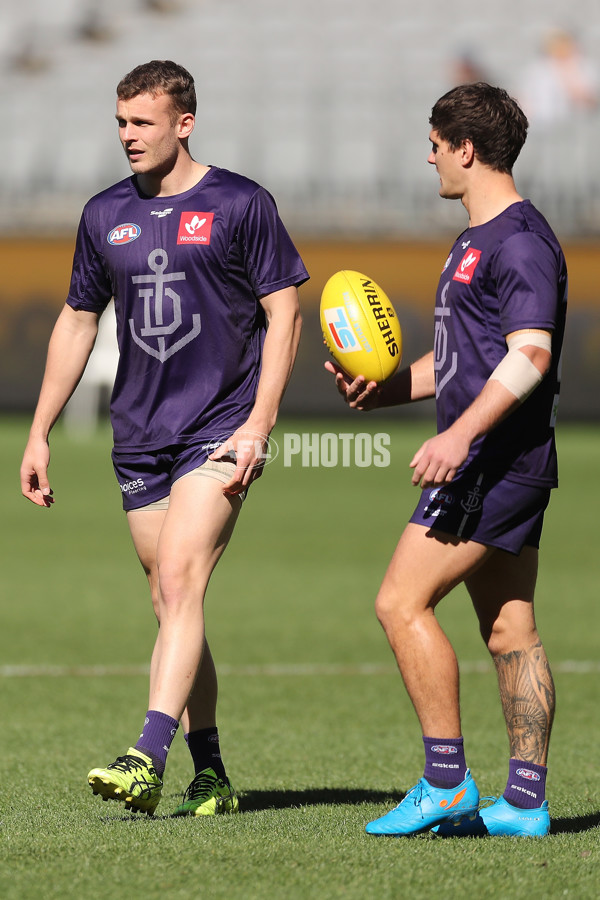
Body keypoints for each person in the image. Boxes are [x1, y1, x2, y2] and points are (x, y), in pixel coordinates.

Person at [21, 60, 308, 817]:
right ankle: (210, 769)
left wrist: (260, 421)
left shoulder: (242, 203)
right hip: (139, 435)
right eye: (120, 123)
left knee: (181, 582)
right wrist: (40, 431)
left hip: (220, 426)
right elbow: (80, 319)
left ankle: (146, 755)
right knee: (168, 598)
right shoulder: (102, 214)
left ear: (184, 123)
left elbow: (286, 313)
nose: (128, 136)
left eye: (142, 123)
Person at [326, 82, 567, 837]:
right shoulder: (475, 239)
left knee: (399, 603)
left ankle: (446, 782)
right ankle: (526, 803)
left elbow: (531, 354)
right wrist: (391, 389)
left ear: (465, 148)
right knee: (510, 629)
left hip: (492, 465)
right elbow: (470, 356)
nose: (428, 155)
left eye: (435, 142)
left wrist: (460, 435)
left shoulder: (520, 241)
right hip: (506, 464)